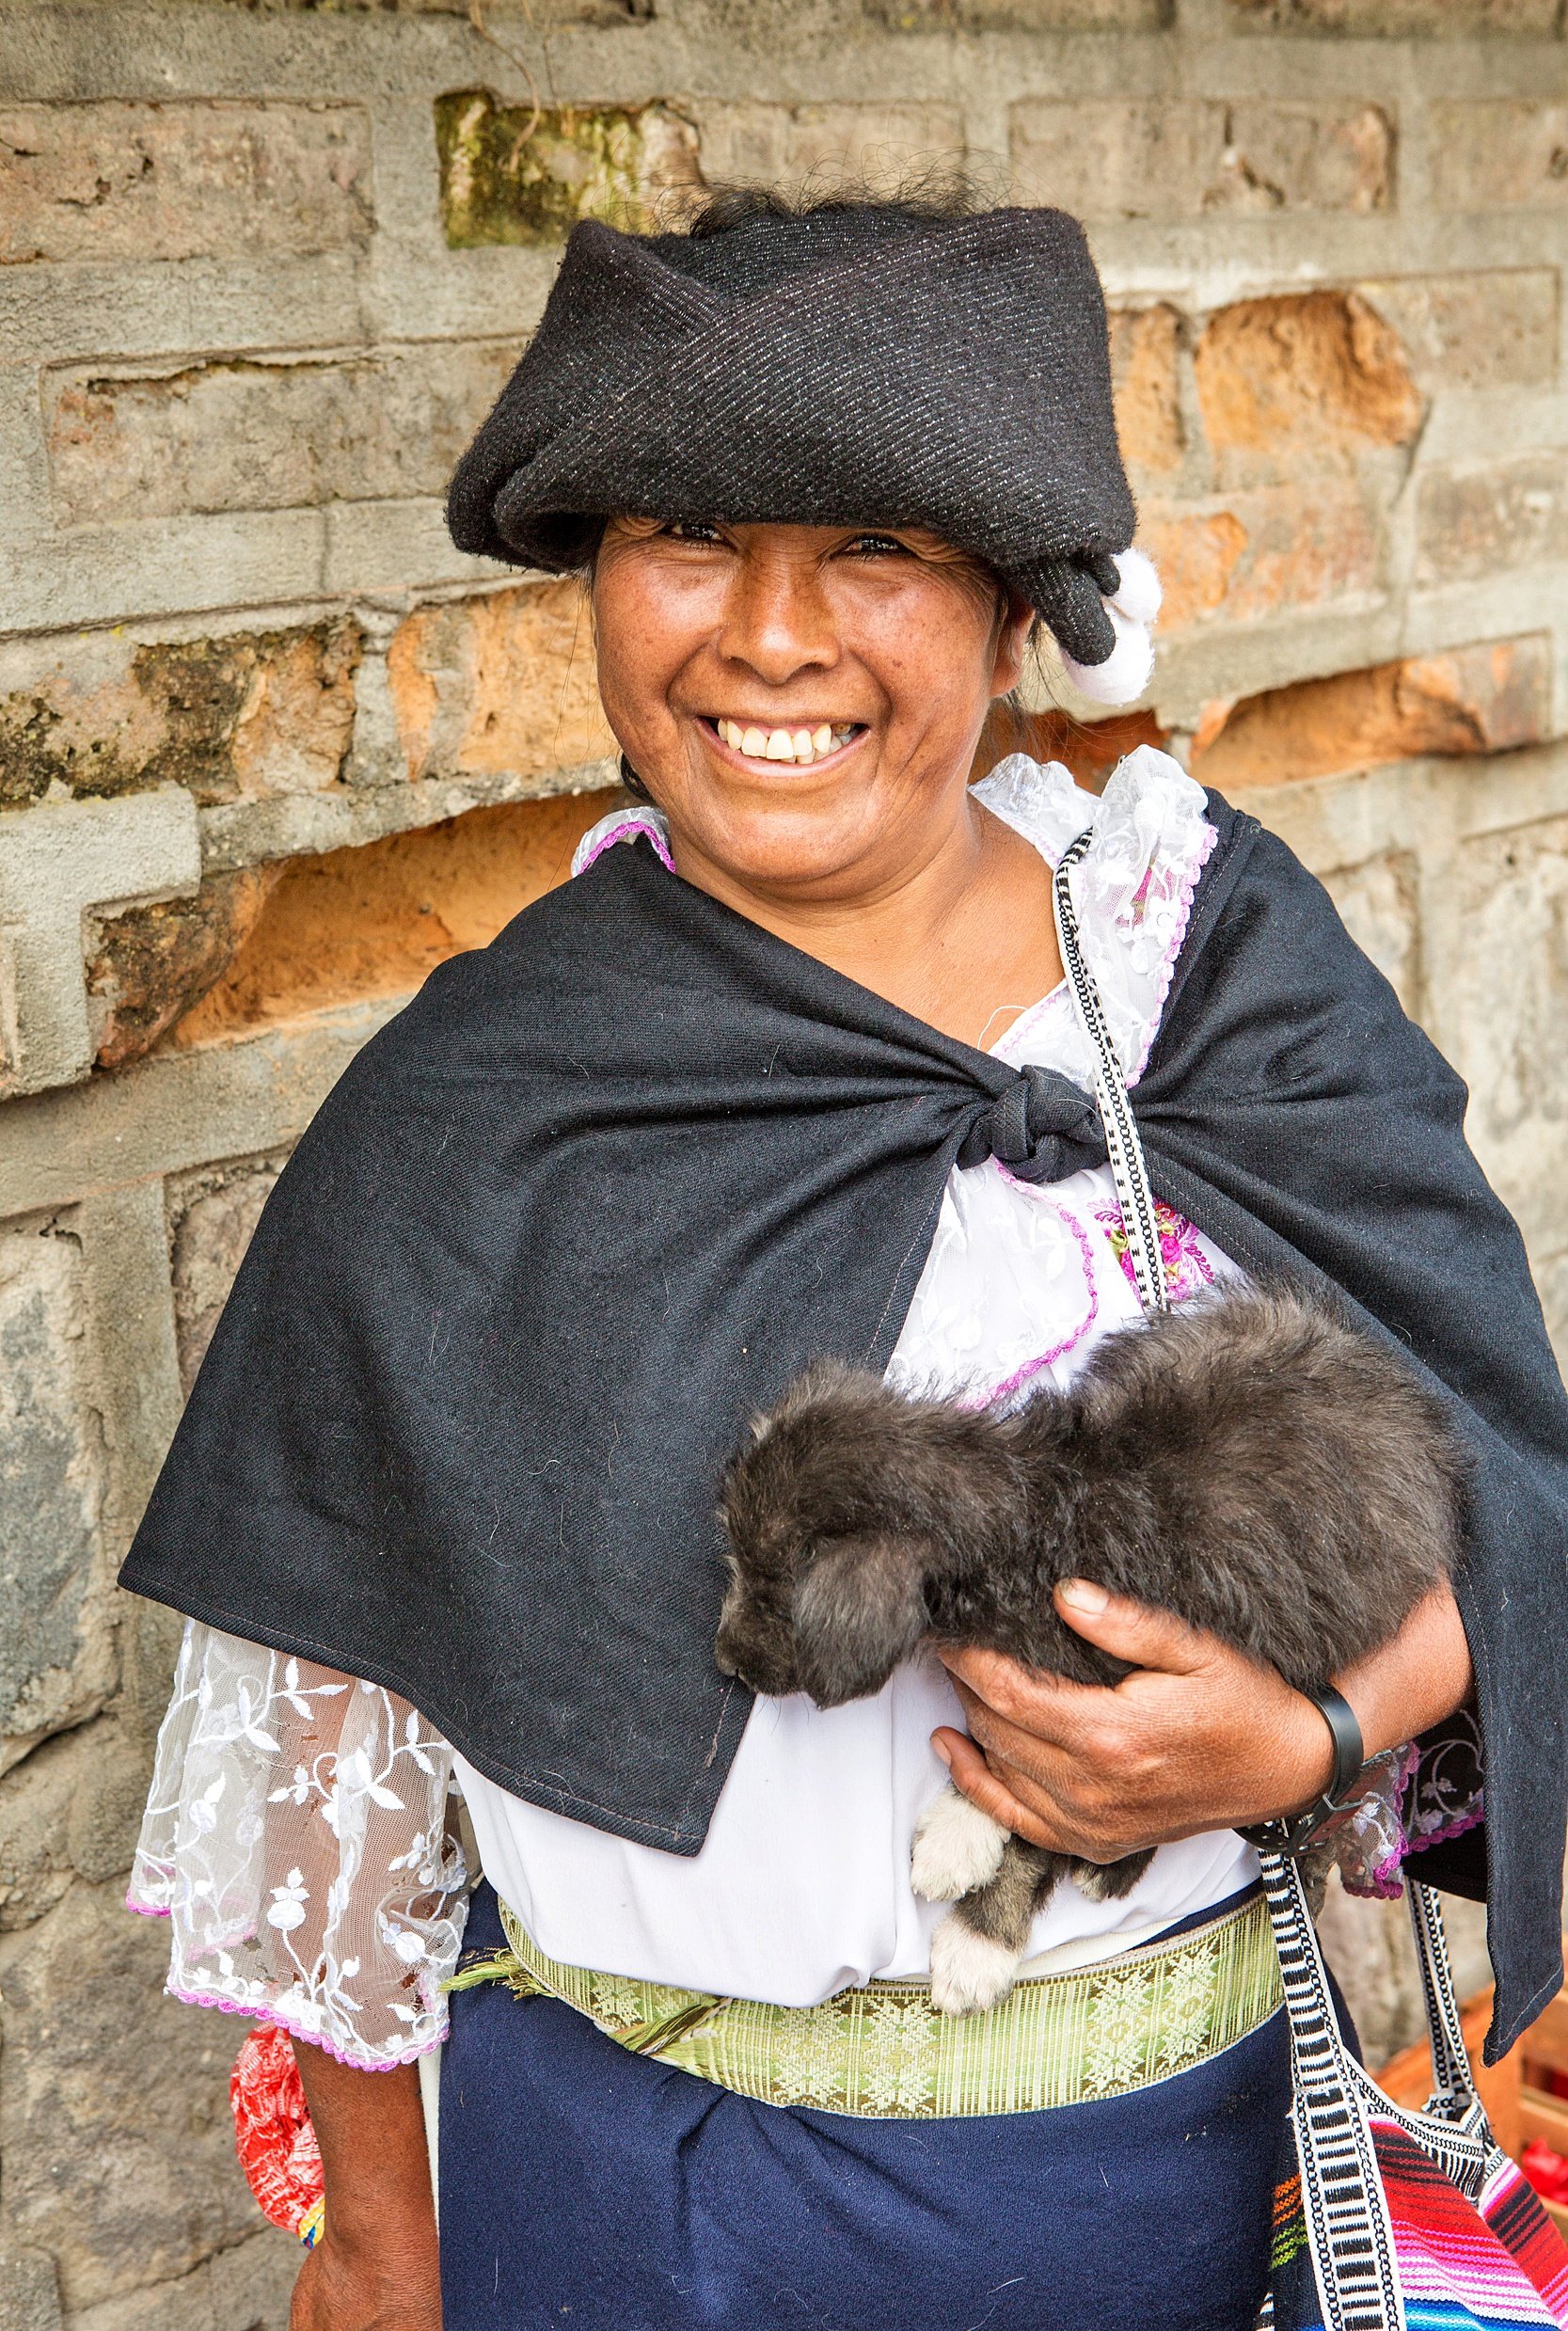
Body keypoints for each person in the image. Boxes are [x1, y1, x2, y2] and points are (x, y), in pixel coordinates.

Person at [120, 184, 1568, 2331]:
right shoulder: (482, 1099)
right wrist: (381, 2246)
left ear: (1018, 619)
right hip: (615, 2201)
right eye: (687, 534)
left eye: (876, 548)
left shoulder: (1207, 977)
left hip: (1152, 2196)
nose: (769, 634)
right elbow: (338, 1696)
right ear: (601, 586)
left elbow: (1502, 1494)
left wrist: (1313, 1736)